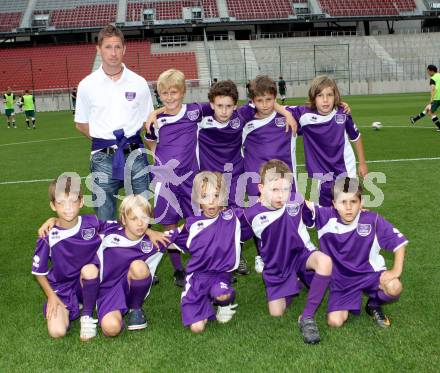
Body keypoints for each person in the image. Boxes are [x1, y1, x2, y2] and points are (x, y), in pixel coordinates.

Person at [243, 160, 332, 344]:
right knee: (277, 313)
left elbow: (322, 212)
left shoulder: (297, 201)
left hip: (302, 256)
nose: (281, 195)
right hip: (277, 266)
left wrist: (356, 213)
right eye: (274, 189)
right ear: (261, 188)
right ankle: (295, 283)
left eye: (285, 189)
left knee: (325, 262)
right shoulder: (251, 214)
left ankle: (307, 317)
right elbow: (227, 232)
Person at [304, 177, 407, 328]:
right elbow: (300, 201)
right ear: (334, 204)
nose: (348, 207)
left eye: (353, 201)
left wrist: (396, 271)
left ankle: (373, 304)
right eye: (343, 202)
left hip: (369, 274)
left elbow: (399, 243)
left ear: (362, 203)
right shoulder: (325, 216)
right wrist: (269, 196)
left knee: (394, 286)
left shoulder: (372, 220)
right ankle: (350, 299)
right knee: (335, 322)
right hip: (342, 281)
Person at [75, 24, 153, 221]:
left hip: (136, 154)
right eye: (108, 47)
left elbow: (148, 121)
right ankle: (108, 250)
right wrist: (107, 141)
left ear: (124, 49)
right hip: (103, 158)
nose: (113, 53)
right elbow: (81, 124)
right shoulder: (87, 85)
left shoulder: (139, 82)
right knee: (104, 218)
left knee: (142, 215)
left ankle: (140, 252)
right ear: (98, 49)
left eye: (117, 47)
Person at [144, 69, 207, 287]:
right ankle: (178, 269)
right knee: (169, 226)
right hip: (166, 181)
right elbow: (151, 146)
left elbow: (222, 105)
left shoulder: (195, 111)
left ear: (183, 92)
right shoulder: (155, 121)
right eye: (164, 93)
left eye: (174, 92)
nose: (169, 97)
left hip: (191, 179)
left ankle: (201, 263)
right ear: (159, 94)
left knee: (198, 223)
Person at [32, 174, 109, 340]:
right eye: (61, 202)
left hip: (85, 280)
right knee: (57, 331)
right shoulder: (48, 234)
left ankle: (87, 316)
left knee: (90, 269)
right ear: (53, 206)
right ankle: (75, 304)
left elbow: (123, 226)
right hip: (61, 287)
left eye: (73, 201)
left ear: (81, 202)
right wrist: (51, 296)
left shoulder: (92, 223)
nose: (68, 207)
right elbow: (39, 272)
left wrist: (149, 230)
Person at [173, 171, 252, 333]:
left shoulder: (233, 217)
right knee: (197, 328)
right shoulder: (192, 224)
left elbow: (255, 214)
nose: (211, 202)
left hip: (221, 275)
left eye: (216, 195)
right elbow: (171, 241)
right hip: (198, 277)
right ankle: (204, 300)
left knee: (221, 293)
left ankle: (224, 303)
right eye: (205, 196)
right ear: (197, 199)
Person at [96, 194, 176, 336]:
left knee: (138, 266)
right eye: (133, 219)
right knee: (111, 329)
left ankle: (135, 308)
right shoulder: (109, 231)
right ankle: (115, 312)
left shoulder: (155, 241)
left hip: (130, 289)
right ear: (123, 219)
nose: (140, 223)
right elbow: (80, 224)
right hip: (108, 291)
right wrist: (53, 220)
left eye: (144, 218)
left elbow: (188, 231)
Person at [291, 75, 367, 207]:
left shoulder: (342, 113)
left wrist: (362, 163)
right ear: (313, 97)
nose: (325, 100)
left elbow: (356, 137)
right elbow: (276, 106)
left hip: (345, 170)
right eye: (320, 95)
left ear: (335, 96)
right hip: (319, 176)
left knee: (350, 208)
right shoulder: (304, 115)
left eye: (329, 95)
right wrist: (287, 115)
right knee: (324, 215)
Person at [410, 64, 440, 131]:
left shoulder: (433, 78)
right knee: (427, 108)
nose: (428, 73)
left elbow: (433, 89)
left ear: (431, 71)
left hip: (437, 98)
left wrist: (431, 99)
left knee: (430, 113)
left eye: (428, 71)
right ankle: (414, 119)